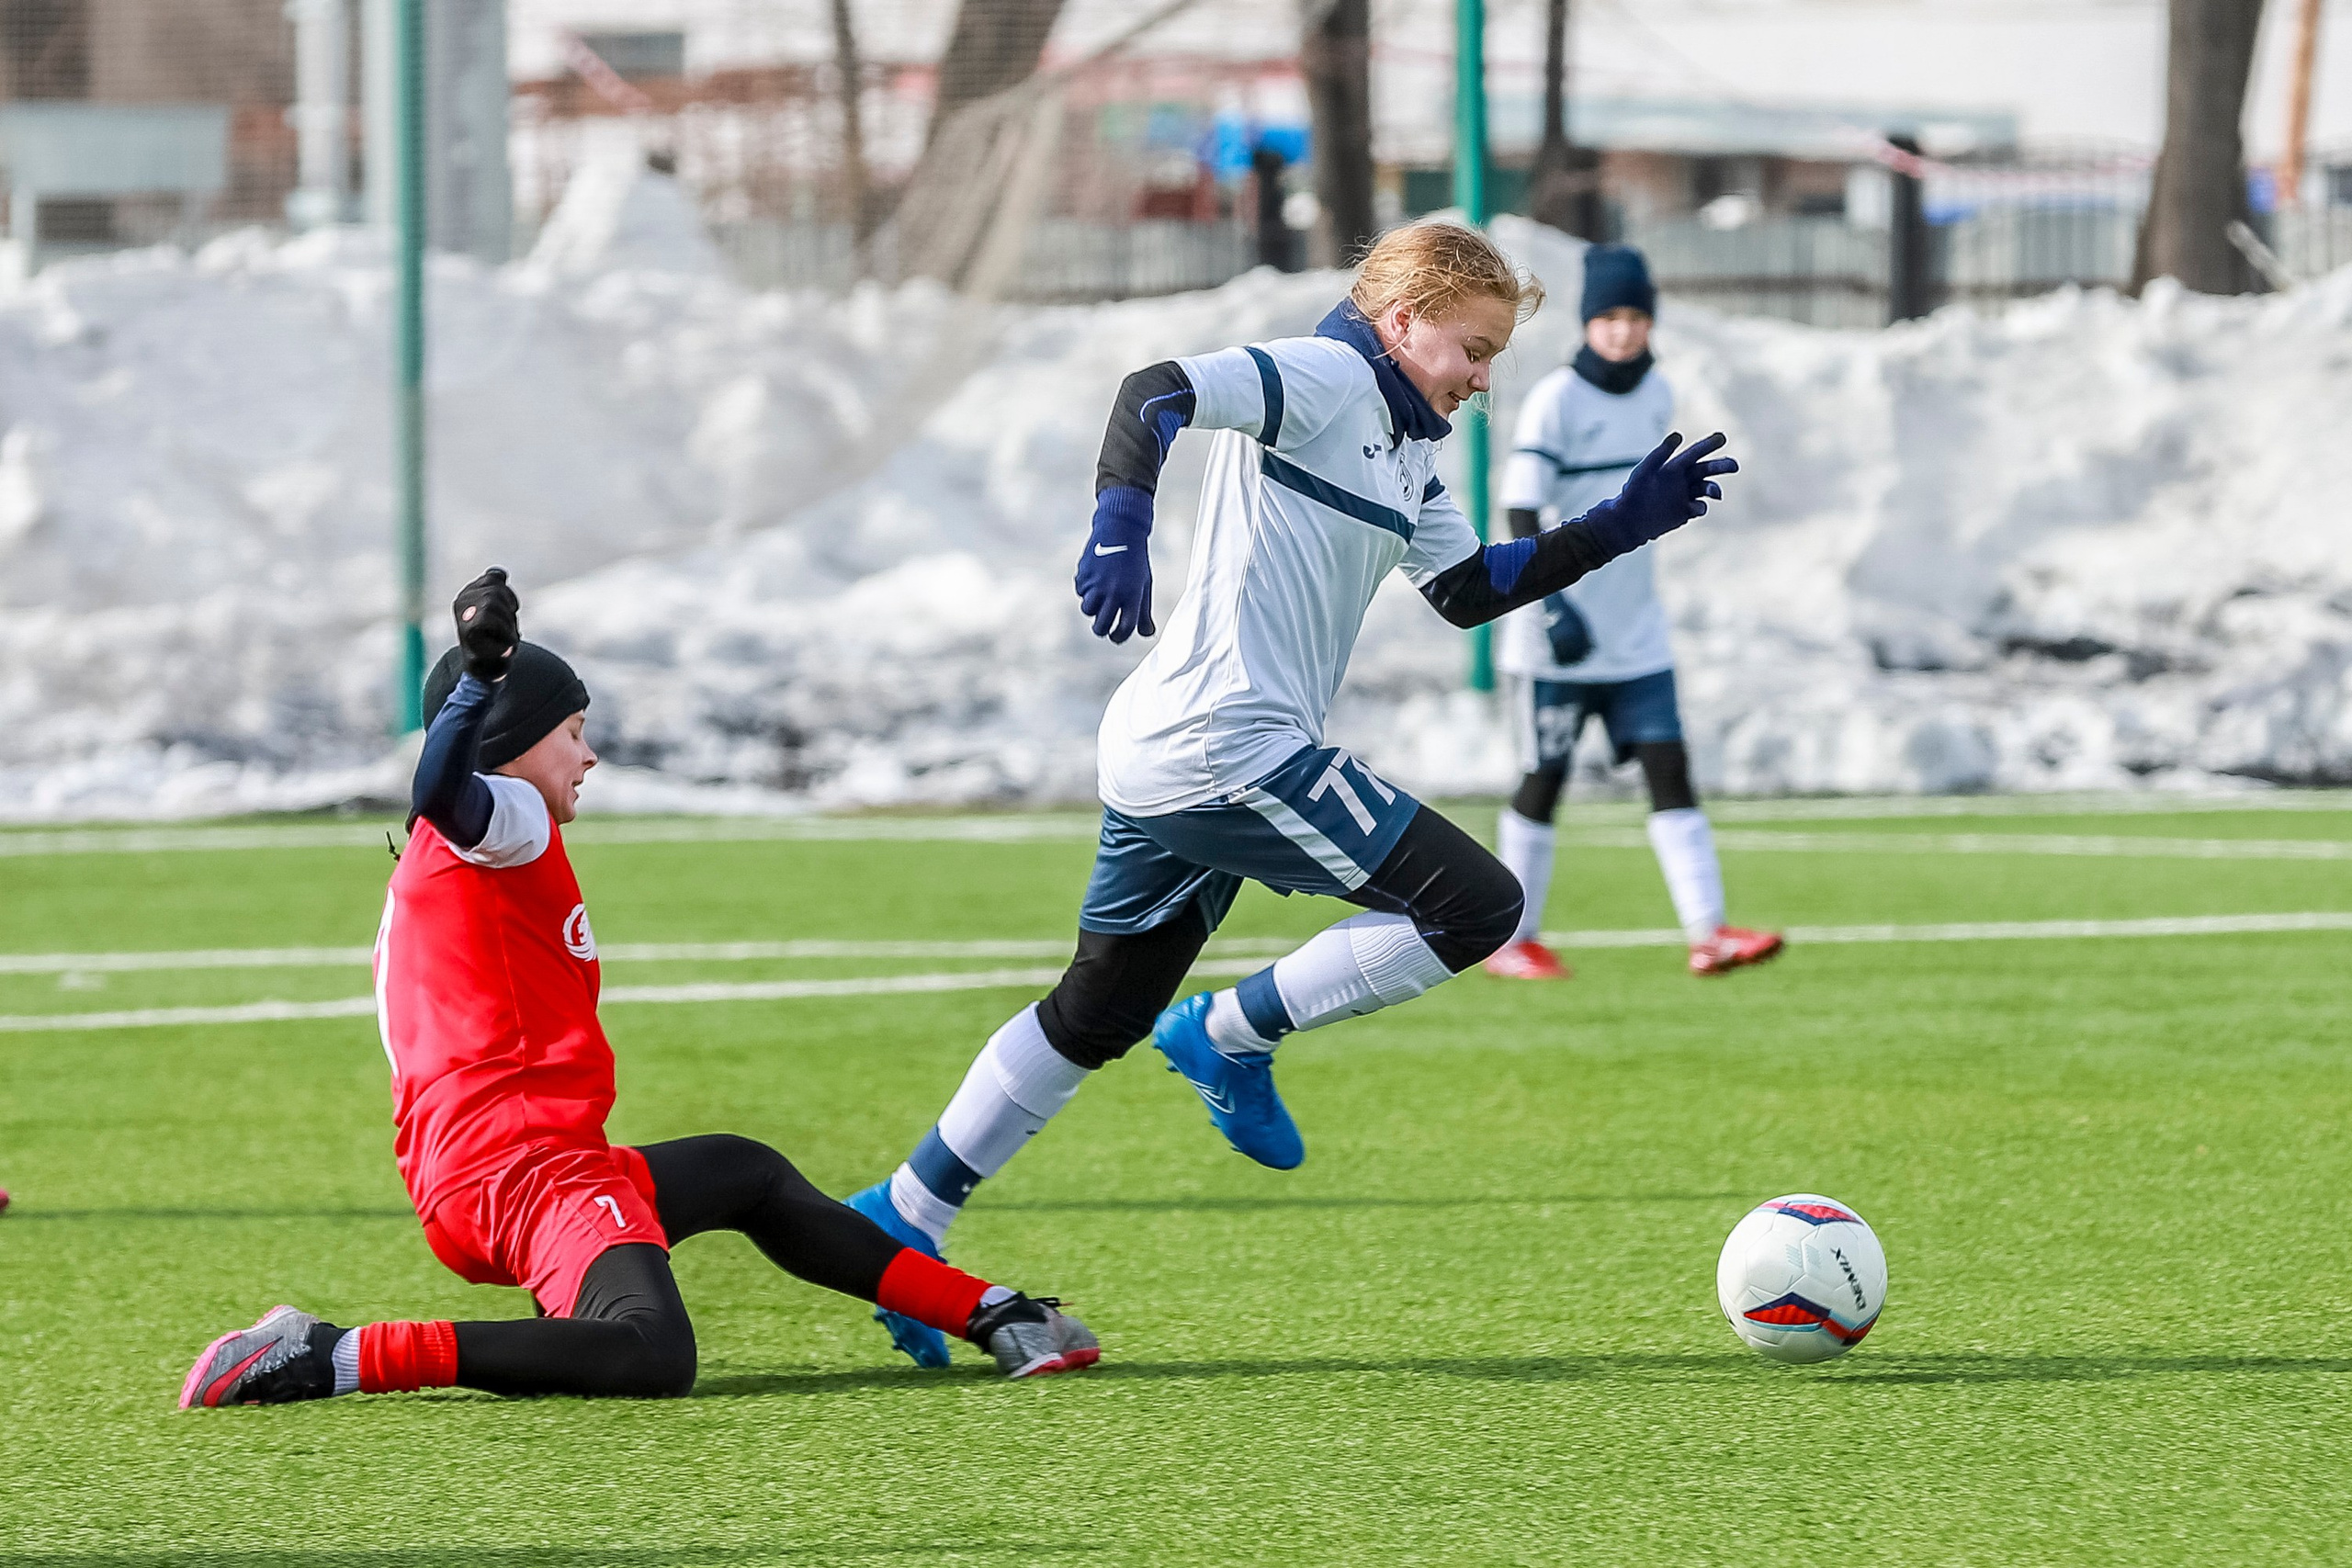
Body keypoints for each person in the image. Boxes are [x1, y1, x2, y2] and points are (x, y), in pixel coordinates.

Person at [842, 221, 1739, 1368]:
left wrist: (1613, 526)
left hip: (1179, 750)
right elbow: (1153, 392)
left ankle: (900, 1218)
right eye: (1471, 347)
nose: (1480, 377)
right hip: (1230, 745)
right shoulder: (1320, 377)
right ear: (1401, 319)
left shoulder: (1407, 445)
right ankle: (1228, 1032)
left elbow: (1466, 589)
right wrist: (1122, 523)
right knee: (1476, 910)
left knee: (1094, 1014)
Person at [181, 570, 1097, 1407]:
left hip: (480, 1173)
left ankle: (994, 1312)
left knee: (744, 1173)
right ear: (508, 746)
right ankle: (334, 1355)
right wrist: (477, 682)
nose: (588, 757)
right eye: (573, 733)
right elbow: (442, 788)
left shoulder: (456, 857)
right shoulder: (506, 818)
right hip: (526, 1172)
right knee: (653, 1355)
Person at [1483, 243, 1783, 982]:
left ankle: (1709, 934)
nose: (1622, 331)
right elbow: (1520, 502)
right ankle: (1511, 940)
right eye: (1609, 316)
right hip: (1557, 637)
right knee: (1543, 779)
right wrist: (1549, 606)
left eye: (1636, 317)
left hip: (1637, 632)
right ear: (1587, 322)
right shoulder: (1557, 398)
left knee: (1670, 771)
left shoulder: (1657, 394)